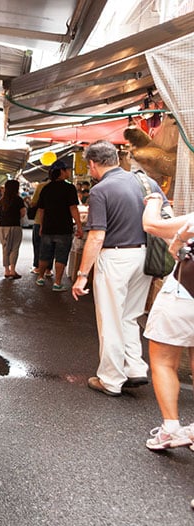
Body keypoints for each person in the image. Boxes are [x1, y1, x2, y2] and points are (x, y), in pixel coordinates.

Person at [71, 140, 165, 397]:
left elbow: (96, 236)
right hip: (144, 255)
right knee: (130, 315)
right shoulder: (146, 182)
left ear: (92, 164)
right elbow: (163, 215)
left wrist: (82, 275)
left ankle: (111, 379)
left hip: (115, 258)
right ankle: (135, 368)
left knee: (110, 318)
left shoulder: (101, 190)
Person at [140, 199, 194, 450]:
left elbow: (152, 225)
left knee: (163, 360)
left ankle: (171, 428)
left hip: (184, 292)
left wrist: (153, 201)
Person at [35, 160, 83, 291]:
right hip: (63, 228)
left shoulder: (46, 188)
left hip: (48, 227)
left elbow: (41, 210)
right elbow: (73, 208)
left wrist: (41, 226)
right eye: (68, 169)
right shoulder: (69, 188)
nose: (69, 171)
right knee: (61, 256)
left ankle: (40, 277)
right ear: (62, 171)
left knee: (44, 254)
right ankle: (57, 283)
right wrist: (79, 225)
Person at [0, 179, 25, 279]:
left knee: (5, 248)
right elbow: (23, 213)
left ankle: (6, 271)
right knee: (14, 248)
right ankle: (12, 270)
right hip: (15, 226)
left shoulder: (2, 200)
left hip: (2, 226)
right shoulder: (18, 199)